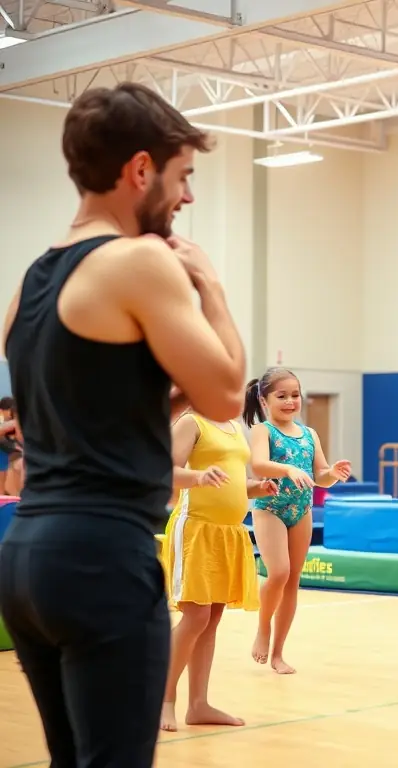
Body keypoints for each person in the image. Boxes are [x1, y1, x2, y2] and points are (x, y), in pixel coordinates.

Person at [0, 82, 247, 766]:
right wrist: (213, 290)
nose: (186, 198)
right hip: (101, 557)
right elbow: (228, 392)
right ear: (140, 170)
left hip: (28, 558)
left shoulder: (34, 278)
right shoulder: (139, 262)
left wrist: (171, 399)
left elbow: (83, 411)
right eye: (182, 177)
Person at [159, 409, 279, 732]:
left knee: (210, 620)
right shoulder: (190, 422)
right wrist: (197, 477)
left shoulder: (233, 427)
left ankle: (198, 704)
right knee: (195, 616)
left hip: (228, 531)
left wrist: (257, 488)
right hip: (196, 528)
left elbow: (232, 479)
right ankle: (163, 700)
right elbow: (164, 471)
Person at [244, 367, 352, 674]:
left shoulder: (309, 434)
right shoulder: (263, 430)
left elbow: (320, 476)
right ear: (265, 400)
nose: (290, 401)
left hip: (300, 511)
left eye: (295, 395)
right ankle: (263, 628)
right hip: (270, 508)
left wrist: (334, 473)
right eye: (282, 396)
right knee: (277, 573)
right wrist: (288, 470)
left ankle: (278, 654)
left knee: (292, 580)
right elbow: (260, 464)